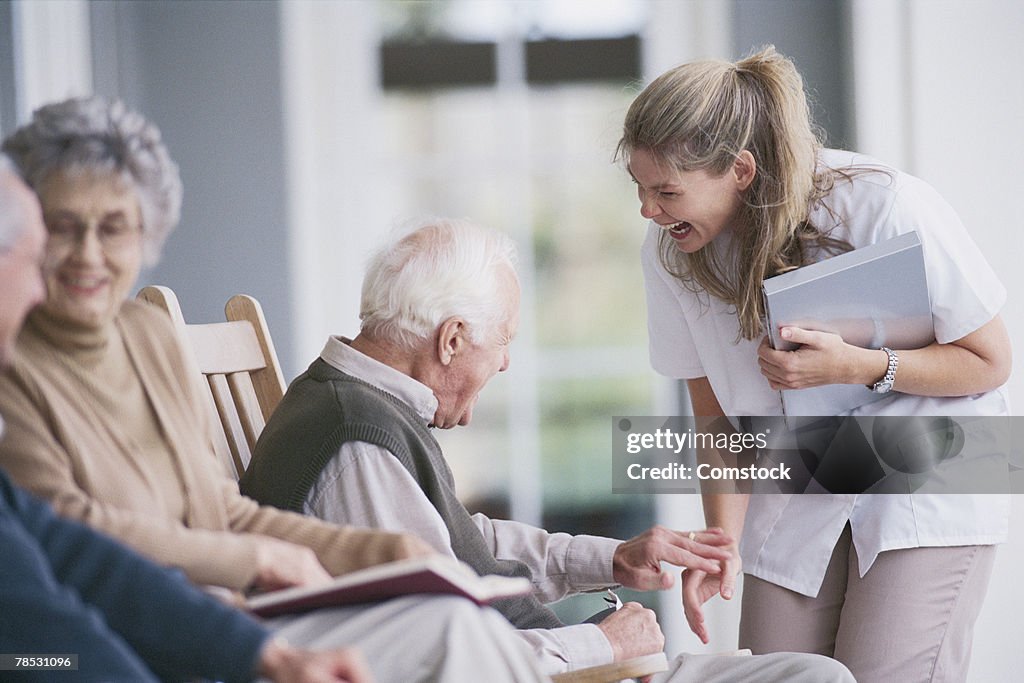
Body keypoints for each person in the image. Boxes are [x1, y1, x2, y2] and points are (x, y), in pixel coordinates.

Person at [0, 101, 549, 683]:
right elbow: (66, 537)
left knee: (463, 622)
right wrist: (253, 563)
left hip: (230, 620)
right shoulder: (14, 365)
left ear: (145, 236)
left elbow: (221, 510)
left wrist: (383, 553)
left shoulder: (146, 335)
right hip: (126, 639)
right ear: (31, 235)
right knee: (456, 630)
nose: (88, 253)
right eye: (64, 228)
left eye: (112, 228)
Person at [240, 218, 855, 683]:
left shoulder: (363, 404)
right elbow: (447, 648)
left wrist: (611, 559)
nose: (506, 362)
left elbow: (463, 547)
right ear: (452, 339)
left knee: (818, 677)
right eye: (502, 341)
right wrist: (604, 645)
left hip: (558, 662)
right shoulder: (359, 440)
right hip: (563, 673)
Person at [616, 45, 1012, 683]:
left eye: (666, 191)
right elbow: (715, 416)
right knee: (776, 673)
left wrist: (859, 366)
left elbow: (989, 361)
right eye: (639, 187)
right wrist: (720, 541)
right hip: (800, 485)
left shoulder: (883, 204)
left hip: (932, 474)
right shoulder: (671, 252)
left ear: (740, 170)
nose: (648, 209)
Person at [0, 153, 369, 682]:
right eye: (43, 246)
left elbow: (76, 556)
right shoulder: (19, 377)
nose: (46, 281)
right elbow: (44, 651)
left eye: (113, 229)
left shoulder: (147, 335)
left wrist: (261, 655)